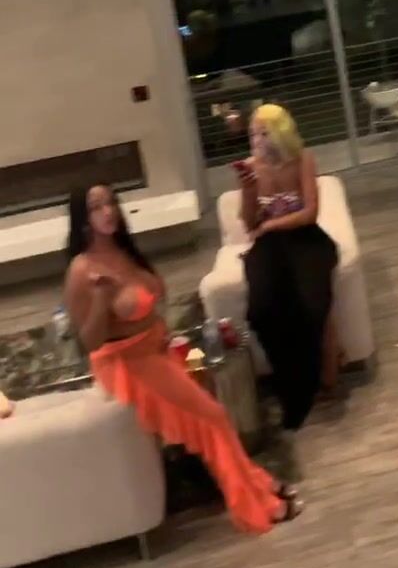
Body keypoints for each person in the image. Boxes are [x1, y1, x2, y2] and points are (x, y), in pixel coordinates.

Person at [64, 184, 302, 534]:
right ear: (83, 218)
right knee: (213, 417)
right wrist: (101, 300)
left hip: (158, 349)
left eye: (111, 202)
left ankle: (257, 484)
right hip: (129, 364)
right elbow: (88, 342)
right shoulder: (82, 270)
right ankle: (255, 506)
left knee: (211, 406)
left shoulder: (122, 250)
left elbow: (151, 299)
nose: (108, 211)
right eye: (96, 206)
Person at [236, 104, 339, 433]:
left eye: (264, 132)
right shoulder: (252, 167)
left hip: (306, 238)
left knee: (314, 304)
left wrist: (269, 225)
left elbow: (310, 213)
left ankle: (312, 378)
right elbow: (248, 222)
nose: (257, 139)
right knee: (260, 311)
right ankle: (288, 381)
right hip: (269, 246)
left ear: (280, 133)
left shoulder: (303, 159)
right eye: (253, 133)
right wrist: (248, 190)